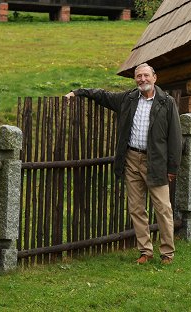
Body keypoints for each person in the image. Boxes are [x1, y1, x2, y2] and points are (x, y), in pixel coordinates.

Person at [65, 63, 182, 265]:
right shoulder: (127, 99)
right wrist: (78, 92)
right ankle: (145, 251)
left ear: (155, 77)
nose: (142, 79)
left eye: (146, 75)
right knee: (136, 208)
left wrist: (172, 168)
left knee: (163, 209)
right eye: (138, 76)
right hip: (131, 159)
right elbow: (102, 95)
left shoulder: (167, 102)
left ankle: (167, 253)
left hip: (156, 162)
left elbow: (175, 138)